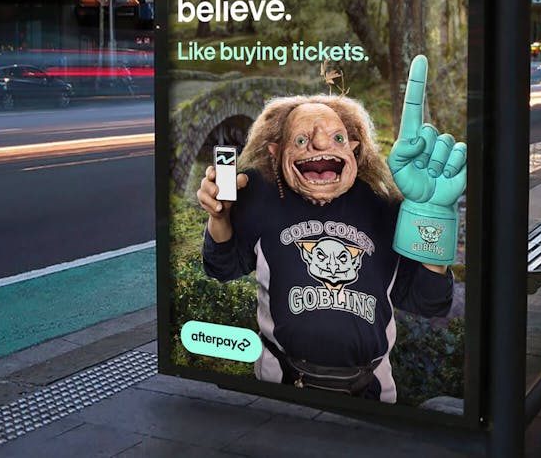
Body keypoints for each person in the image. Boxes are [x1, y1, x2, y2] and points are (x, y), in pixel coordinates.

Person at [196, 56, 467, 403]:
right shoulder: (260, 195)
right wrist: (219, 216)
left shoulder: (384, 205)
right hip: (279, 386)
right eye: (301, 140)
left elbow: (429, 301)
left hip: (370, 392)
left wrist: (432, 215)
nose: (322, 146)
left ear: (354, 147)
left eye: (336, 137)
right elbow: (222, 267)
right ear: (276, 152)